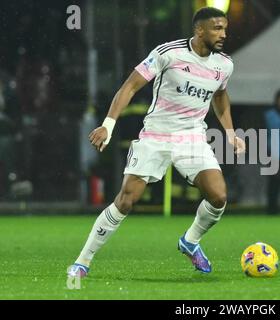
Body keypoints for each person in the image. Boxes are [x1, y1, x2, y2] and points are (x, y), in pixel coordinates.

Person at [67, 7, 245, 277]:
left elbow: (220, 95)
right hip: (156, 135)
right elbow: (130, 86)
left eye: (225, 28)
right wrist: (108, 124)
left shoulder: (224, 64)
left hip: (192, 137)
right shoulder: (168, 53)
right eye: (217, 28)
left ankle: (191, 241)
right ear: (199, 30)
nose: (224, 34)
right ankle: (83, 261)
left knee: (219, 196)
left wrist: (230, 133)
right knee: (126, 200)